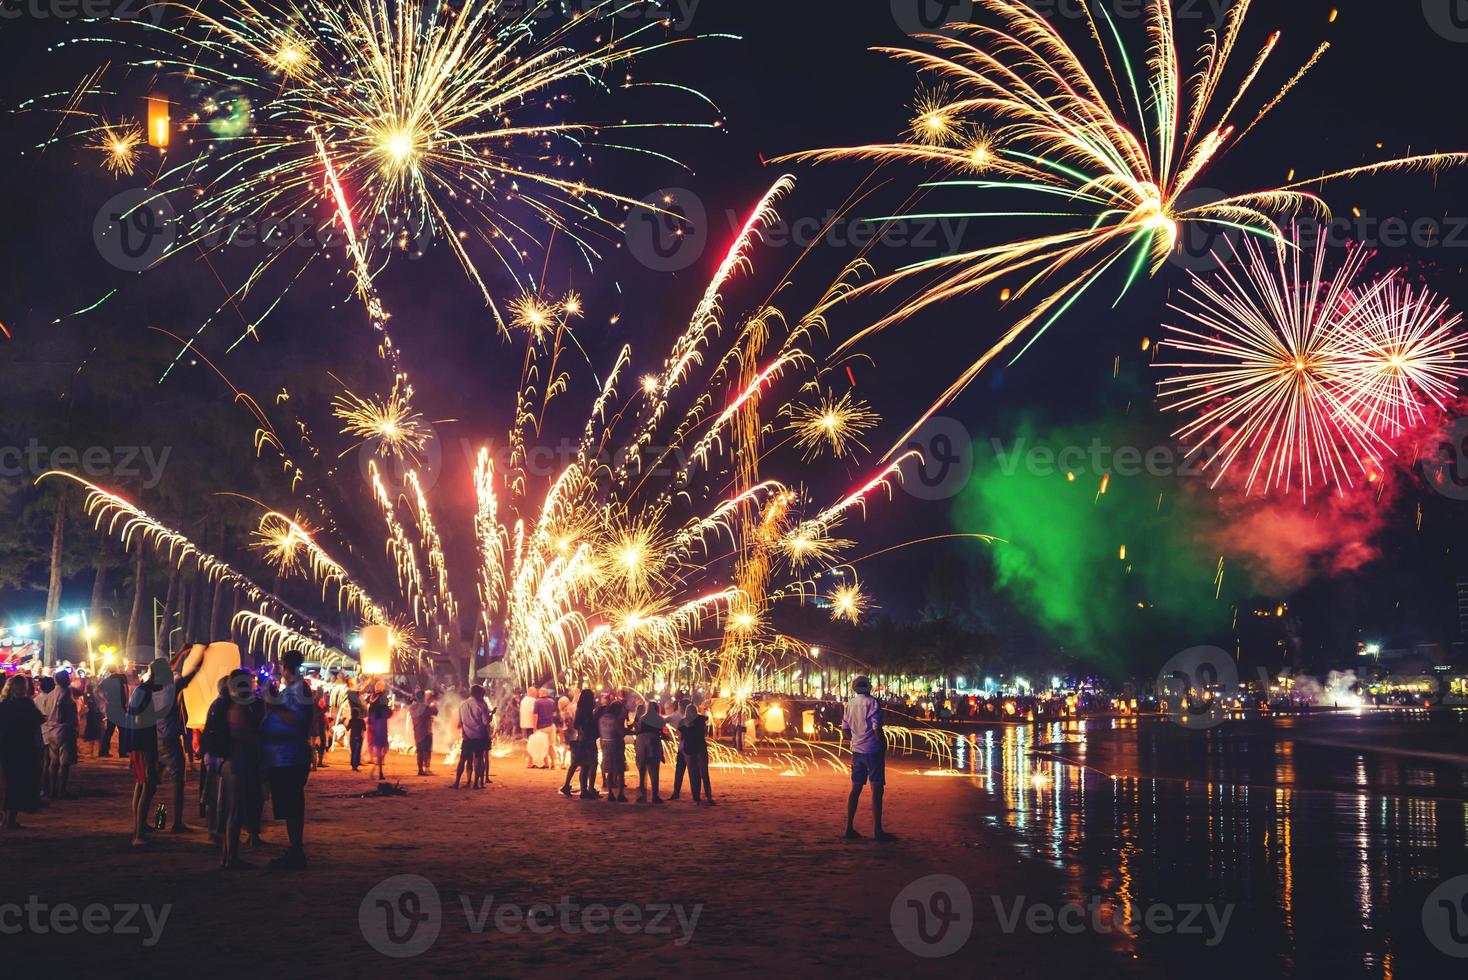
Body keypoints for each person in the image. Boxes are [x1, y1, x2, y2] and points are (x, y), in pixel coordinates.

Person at [261, 651, 313, 870]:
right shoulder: (295, 689)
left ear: (285, 667)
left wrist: (272, 705)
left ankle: (296, 851)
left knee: (292, 805)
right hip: (284, 756)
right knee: (289, 805)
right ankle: (294, 849)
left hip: (289, 757)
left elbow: (297, 720)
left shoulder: (299, 690)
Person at [212, 669, 263, 869]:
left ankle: (227, 856)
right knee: (234, 811)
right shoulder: (237, 708)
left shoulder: (226, 705)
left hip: (229, 762)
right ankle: (231, 858)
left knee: (230, 810)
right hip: (238, 761)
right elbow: (242, 734)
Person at [153, 649, 204, 834]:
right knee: (178, 781)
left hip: (155, 738)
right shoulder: (171, 688)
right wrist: (201, 657)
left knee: (150, 782)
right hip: (171, 740)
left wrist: (182, 651)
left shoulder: (151, 689)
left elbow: (166, 668)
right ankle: (177, 823)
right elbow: (190, 676)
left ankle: (143, 820)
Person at [842, 675, 895, 841]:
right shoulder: (872, 703)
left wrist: (856, 739)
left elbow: (845, 729)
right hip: (872, 750)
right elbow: (877, 728)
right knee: (877, 790)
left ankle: (849, 827)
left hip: (857, 751)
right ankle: (878, 830)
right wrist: (884, 745)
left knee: (855, 789)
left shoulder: (849, 704)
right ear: (869, 687)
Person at [0, 675, 43, 830]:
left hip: (6, 747)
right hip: (23, 747)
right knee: (18, 783)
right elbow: (37, 721)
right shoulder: (26, 704)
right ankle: (10, 819)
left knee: (6, 782)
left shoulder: (4, 705)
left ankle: (5, 818)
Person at [36, 669, 79, 800]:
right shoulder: (67, 694)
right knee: (64, 763)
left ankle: (52, 789)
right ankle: (61, 790)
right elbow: (71, 715)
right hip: (64, 730)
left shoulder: (50, 695)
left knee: (52, 762)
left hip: (50, 731)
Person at [454, 686, 493, 790]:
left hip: (467, 737)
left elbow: (459, 723)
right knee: (478, 759)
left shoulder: (462, 705)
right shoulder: (481, 705)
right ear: (480, 694)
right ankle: (476, 784)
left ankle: (457, 782)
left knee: (462, 760)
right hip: (479, 736)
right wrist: (491, 716)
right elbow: (485, 722)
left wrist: (464, 733)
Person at [634, 697, 670, 804]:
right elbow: (663, 733)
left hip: (641, 743)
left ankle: (642, 795)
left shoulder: (642, 718)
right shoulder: (659, 719)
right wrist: (666, 737)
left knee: (642, 771)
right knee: (654, 771)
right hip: (653, 743)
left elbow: (638, 730)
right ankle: (655, 795)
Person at [594, 692, 629, 802]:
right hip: (616, 745)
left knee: (609, 769)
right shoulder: (616, 719)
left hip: (605, 744)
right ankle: (621, 794)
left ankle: (610, 794)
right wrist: (631, 731)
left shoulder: (602, 718)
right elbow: (620, 733)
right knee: (619, 769)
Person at [564, 689, 599, 799]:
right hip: (587, 740)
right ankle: (587, 790)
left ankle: (585, 790)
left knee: (585, 765)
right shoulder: (586, 711)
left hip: (583, 739)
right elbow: (578, 725)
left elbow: (576, 725)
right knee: (591, 764)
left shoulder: (582, 710)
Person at [679, 700, 713, 806]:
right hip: (701, 748)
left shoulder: (682, 722)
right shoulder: (701, 720)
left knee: (693, 775)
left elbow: (680, 737)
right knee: (704, 774)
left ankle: (696, 797)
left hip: (689, 749)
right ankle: (708, 796)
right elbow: (705, 727)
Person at [97, 668, 130, 757]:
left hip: (110, 706)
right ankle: (122, 752)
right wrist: (127, 702)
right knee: (123, 730)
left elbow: (97, 690)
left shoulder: (106, 680)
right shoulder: (122, 677)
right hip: (120, 706)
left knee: (109, 730)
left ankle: (104, 751)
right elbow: (126, 689)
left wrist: (105, 699)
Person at [366, 682, 391, 781]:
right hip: (380, 725)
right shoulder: (382, 698)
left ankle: (377, 764)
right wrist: (390, 712)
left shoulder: (372, 698)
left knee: (375, 745)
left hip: (372, 724)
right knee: (384, 746)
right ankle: (379, 768)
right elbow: (386, 711)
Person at [409, 690, 438, 776]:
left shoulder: (412, 707)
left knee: (419, 751)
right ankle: (427, 769)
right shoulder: (425, 707)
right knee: (427, 751)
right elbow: (435, 711)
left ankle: (420, 769)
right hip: (426, 732)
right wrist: (433, 702)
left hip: (417, 732)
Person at [532, 687, 557, 769]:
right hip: (551, 726)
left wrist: (534, 727)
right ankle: (553, 763)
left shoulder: (537, 702)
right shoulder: (552, 702)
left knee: (543, 746)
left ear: (540, 693)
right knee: (550, 745)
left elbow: (535, 715)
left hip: (541, 727)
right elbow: (554, 714)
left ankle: (546, 763)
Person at [519, 687, 538, 766]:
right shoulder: (533, 701)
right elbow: (534, 713)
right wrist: (535, 726)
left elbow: (520, 712)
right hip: (531, 724)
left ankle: (530, 761)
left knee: (529, 743)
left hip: (524, 724)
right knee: (533, 743)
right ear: (532, 692)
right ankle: (530, 762)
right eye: (535, 692)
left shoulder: (523, 700)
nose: (536, 693)